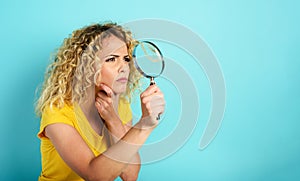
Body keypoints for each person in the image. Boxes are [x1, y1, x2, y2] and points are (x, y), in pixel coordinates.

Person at [35, 22, 165, 181]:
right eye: (112, 59)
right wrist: (145, 125)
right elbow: (95, 176)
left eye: (126, 59)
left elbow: (130, 175)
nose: (123, 67)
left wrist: (113, 120)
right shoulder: (58, 111)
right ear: (85, 67)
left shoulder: (120, 105)